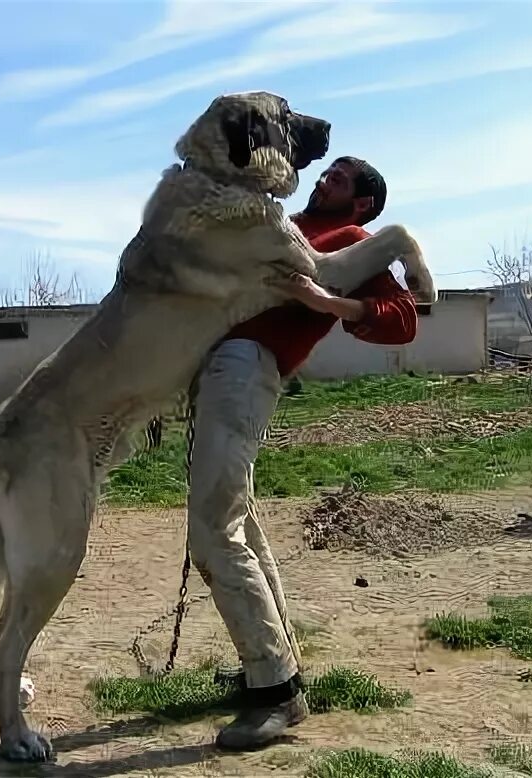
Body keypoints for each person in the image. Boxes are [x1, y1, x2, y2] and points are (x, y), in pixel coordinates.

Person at [186, 156, 418, 751]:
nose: (323, 179)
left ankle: (274, 694)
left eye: (339, 178)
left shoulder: (350, 242)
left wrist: (324, 302)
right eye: (326, 173)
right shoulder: (286, 225)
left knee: (214, 529)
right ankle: (279, 669)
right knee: (242, 525)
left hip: (247, 366)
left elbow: (402, 320)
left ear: (363, 202)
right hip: (218, 371)